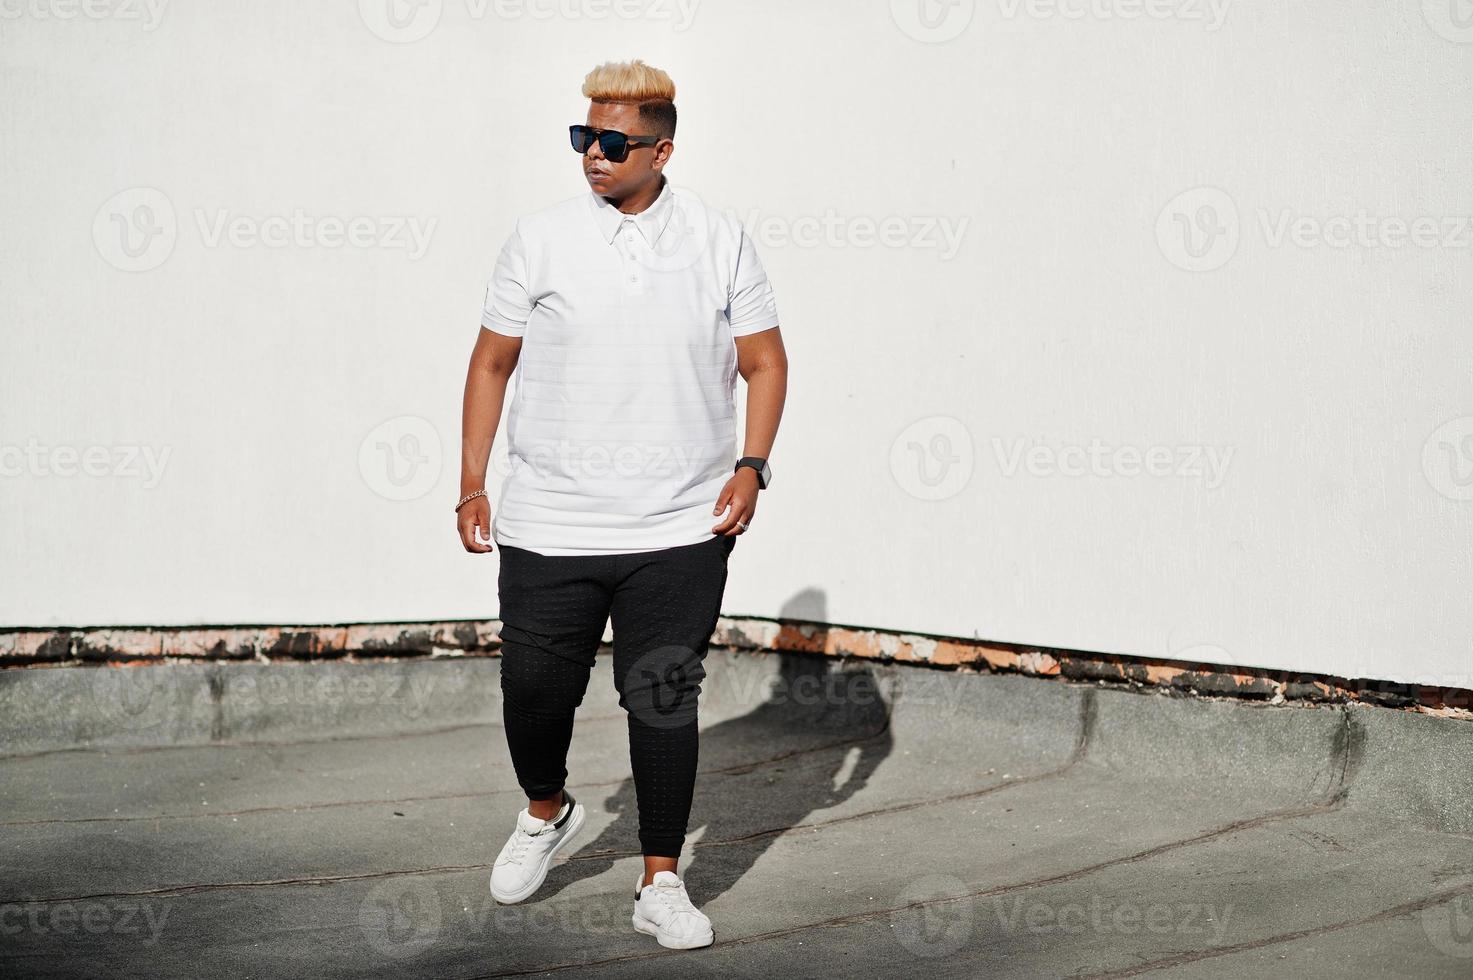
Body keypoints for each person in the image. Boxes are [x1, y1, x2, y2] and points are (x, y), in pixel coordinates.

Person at [455, 58, 788, 951]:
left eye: (612, 142)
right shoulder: (538, 239)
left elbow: (764, 362)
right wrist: (471, 481)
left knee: (662, 698)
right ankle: (546, 809)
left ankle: (660, 880)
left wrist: (751, 465)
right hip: (550, 520)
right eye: (581, 138)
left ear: (661, 149)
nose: (592, 156)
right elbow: (491, 364)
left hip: (679, 525)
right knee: (533, 690)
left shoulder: (720, 240)